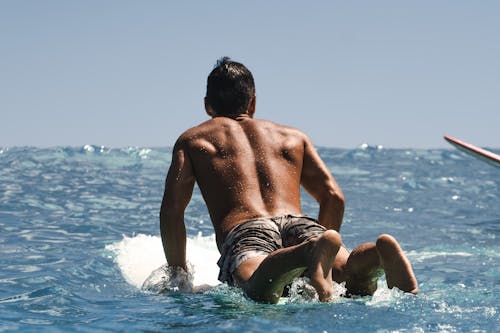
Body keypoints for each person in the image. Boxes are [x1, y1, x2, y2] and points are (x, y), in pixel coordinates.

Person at [160, 57, 418, 303]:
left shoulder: (194, 140)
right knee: (349, 281)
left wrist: (178, 275)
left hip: (247, 230)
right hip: (302, 224)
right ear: (253, 103)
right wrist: (323, 257)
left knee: (255, 287)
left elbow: (172, 211)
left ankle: (307, 253)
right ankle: (375, 255)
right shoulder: (292, 136)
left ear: (207, 105)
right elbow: (333, 197)